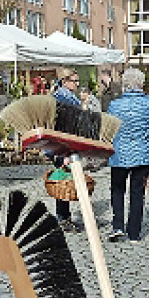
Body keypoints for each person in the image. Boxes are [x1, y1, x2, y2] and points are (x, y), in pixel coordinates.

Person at [106, 68, 149, 242]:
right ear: (141, 84)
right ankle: (134, 231)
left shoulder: (114, 105)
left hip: (119, 154)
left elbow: (109, 125)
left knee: (117, 190)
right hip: (142, 152)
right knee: (137, 192)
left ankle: (117, 226)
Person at [50, 67, 84, 232]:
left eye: (78, 81)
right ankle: (62, 217)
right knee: (63, 181)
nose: (77, 84)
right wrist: (65, 152)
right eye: (74, 81)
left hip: (63, 146)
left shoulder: (65, 98)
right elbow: (63, 128)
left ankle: (64, 216)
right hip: (63, 146)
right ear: (64, 82)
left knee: (66, 180)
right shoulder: (64, 100)